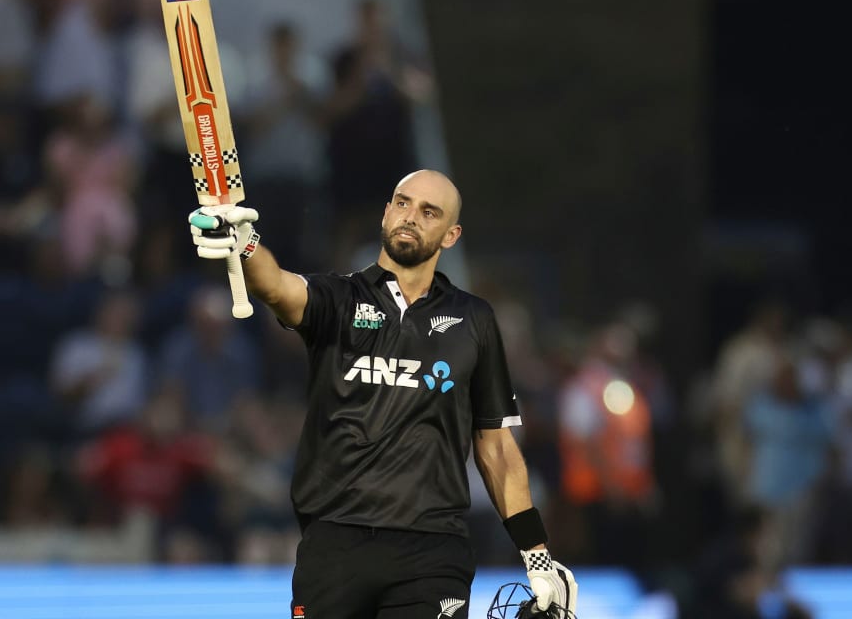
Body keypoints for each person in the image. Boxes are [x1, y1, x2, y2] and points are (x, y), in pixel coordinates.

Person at [188, 170, 577, 619]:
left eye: (429, 212)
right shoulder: (337, 299)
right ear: (386, 212)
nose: (411, 216)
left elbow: (497, 450)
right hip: (335, 543)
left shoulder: (475, 321)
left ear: (451, 236)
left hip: (434, 551)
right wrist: (245, 244)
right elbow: (275, 286)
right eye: (403, 202)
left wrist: (537, 553)